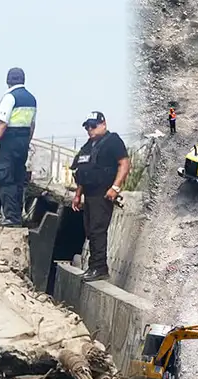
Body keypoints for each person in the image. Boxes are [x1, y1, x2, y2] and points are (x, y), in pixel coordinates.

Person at [70, 111, 130, 282]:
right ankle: (94, 266)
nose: (89, 129)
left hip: (103, 193)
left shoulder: (113, 141)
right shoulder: (89, 145)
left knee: (97, 230)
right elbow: (82, 170)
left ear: (103, 124)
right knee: (90, 230)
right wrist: (77, 195)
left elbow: (124, 164)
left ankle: (99, 268)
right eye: (87, 126)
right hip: (89, 193)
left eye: (93, 125)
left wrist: (115, 187)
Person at [0, 67, 36, 227]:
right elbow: (32, 125)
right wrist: (27, 142)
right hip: (23, 142)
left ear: (8, 81)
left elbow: (2, 123)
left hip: (9, 142)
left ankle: (10, 217)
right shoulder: (31, 99)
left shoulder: (9, 97)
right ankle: (17, 216)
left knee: (5, 178)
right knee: (17, 179)